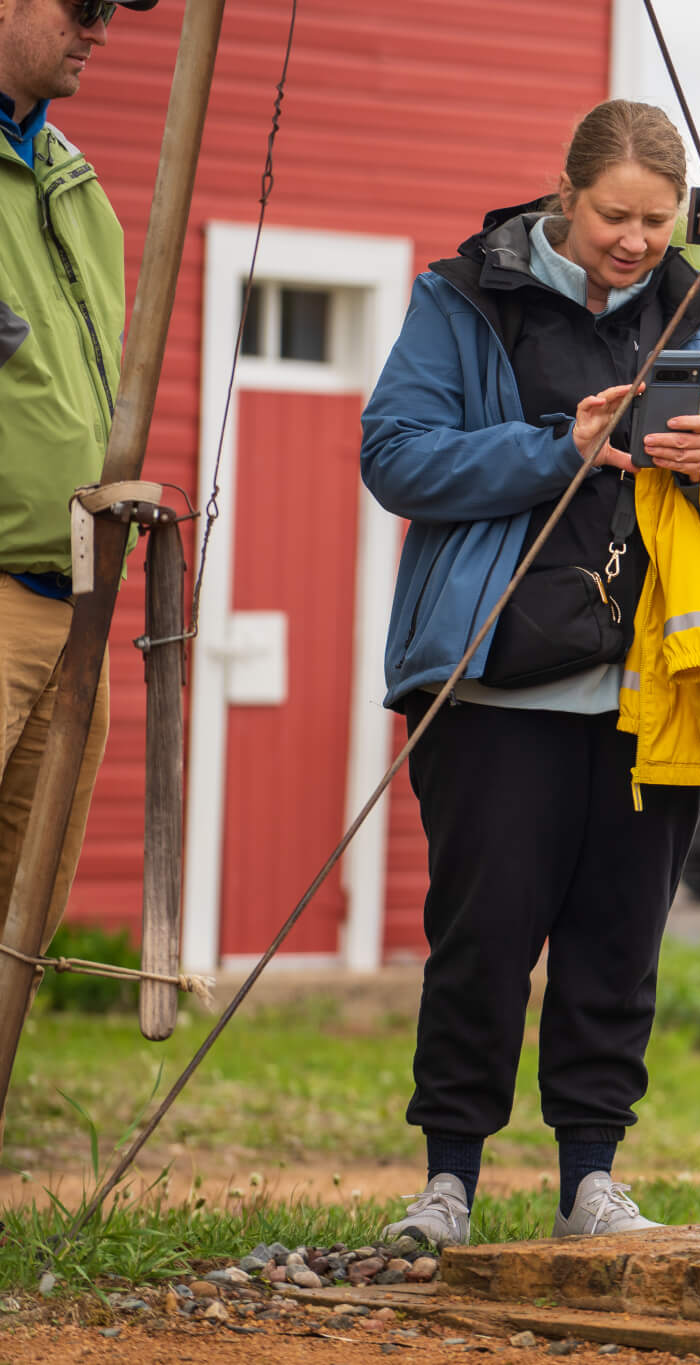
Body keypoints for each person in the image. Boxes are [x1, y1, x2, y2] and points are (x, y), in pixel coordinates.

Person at [359, 99, 700, 1247]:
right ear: (564, 191)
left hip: (657, 687)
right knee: (484, 937)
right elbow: (394, 458)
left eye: (655, 220)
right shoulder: (463, 297)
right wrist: (560, 447)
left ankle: (591, 1180)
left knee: (616, 942)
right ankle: (448, 1181)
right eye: (613, 216)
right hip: (493, 686)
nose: (637, 241)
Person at [0, 0, 157, 965]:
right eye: (83, 5)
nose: (100, 29)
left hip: (78, 605)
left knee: (23, 923)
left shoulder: (74, 186)